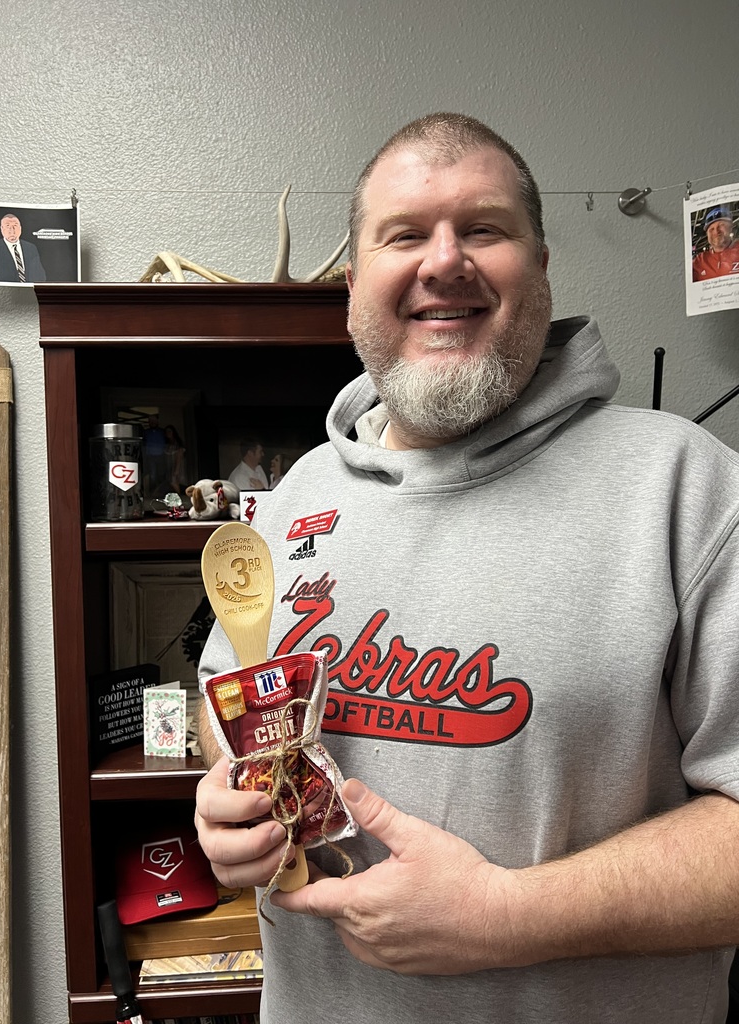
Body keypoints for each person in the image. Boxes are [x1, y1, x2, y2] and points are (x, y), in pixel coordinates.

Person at [194, 113, 739, 1024]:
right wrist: (230, 798)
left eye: (484, 228)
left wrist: (506, 918)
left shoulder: (687, 488)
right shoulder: (297, 495)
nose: (443, 261)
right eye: (403, 234)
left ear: (542, 263)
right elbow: (229, 697)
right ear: (354, 285)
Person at [0, 212, 47, 283]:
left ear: (20, 228)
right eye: (8, 226)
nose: (12, 230)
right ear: (2, 229)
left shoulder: (31, 248)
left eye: (15, 226)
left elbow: (40, 276)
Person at [692, 205, 739, 281]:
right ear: (707, 234)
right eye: (711, 229)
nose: (716, 231)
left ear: (731, 227)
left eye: (721, 225)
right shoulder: (699, 262)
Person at [163, 424, 186, 493]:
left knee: (174, 482)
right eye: (166, 432)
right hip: (169, 466)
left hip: (176, 466)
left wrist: (176, 470)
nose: (168, 433)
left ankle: (179, 497)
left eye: (170, 431)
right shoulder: (167, 444)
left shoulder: (177, 444)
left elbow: (179, 457)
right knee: (171, 482)